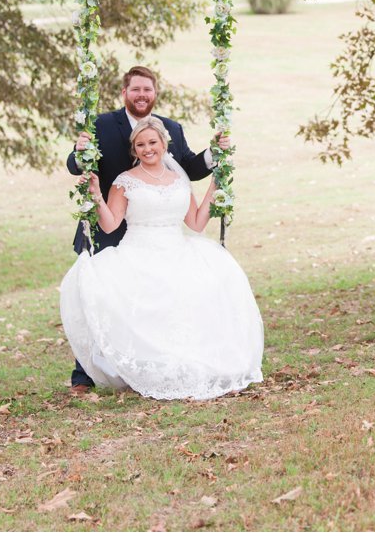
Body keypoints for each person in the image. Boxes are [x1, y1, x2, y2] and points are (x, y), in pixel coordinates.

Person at [59, 116, 264, 400]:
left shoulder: (179, 180)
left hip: (178, 249)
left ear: (164, 144)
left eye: (152, 142)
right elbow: (109, 225)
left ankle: (198, 364)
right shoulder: (124, 182)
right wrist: (95, 194)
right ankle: (153, 370)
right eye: (140, 145)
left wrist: (215, 185)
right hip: (138, 252)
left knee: (206, 287)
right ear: (134, 149)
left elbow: (195, 222)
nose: (147, 149)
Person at [65, 65, 226, 393]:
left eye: (147, 90)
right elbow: (74, 165)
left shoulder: (171, 128)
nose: (142, 95)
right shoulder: (101, 124)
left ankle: (161, 364)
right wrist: (81, 156)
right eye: (135, 89)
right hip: (112, 229)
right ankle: (87, 375)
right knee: (101, 300)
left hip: (163, 232)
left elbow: (188, 168)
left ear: (155, 94)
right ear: (124, 93)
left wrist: (215, 156)